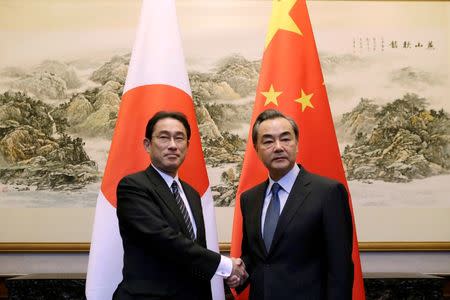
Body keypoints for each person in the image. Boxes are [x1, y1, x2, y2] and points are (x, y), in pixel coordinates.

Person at [113, 111, 247, 300]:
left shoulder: (191, 194)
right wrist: (225, 266)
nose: (173, 145)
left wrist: (225, 276)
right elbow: (163, 239)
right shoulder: (133, 186)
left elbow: (192, 252)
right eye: (164, 137)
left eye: (179, 138)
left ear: (187, 145)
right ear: (147, 145)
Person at [230, 109, 354, 299]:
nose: (278, 147)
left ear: (296, 144)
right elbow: (256, 257)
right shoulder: (249, 198)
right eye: (268, 141)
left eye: (286, 139)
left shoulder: (328, 193)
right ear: (256, 149)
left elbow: (340, 268)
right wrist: (237, 271)